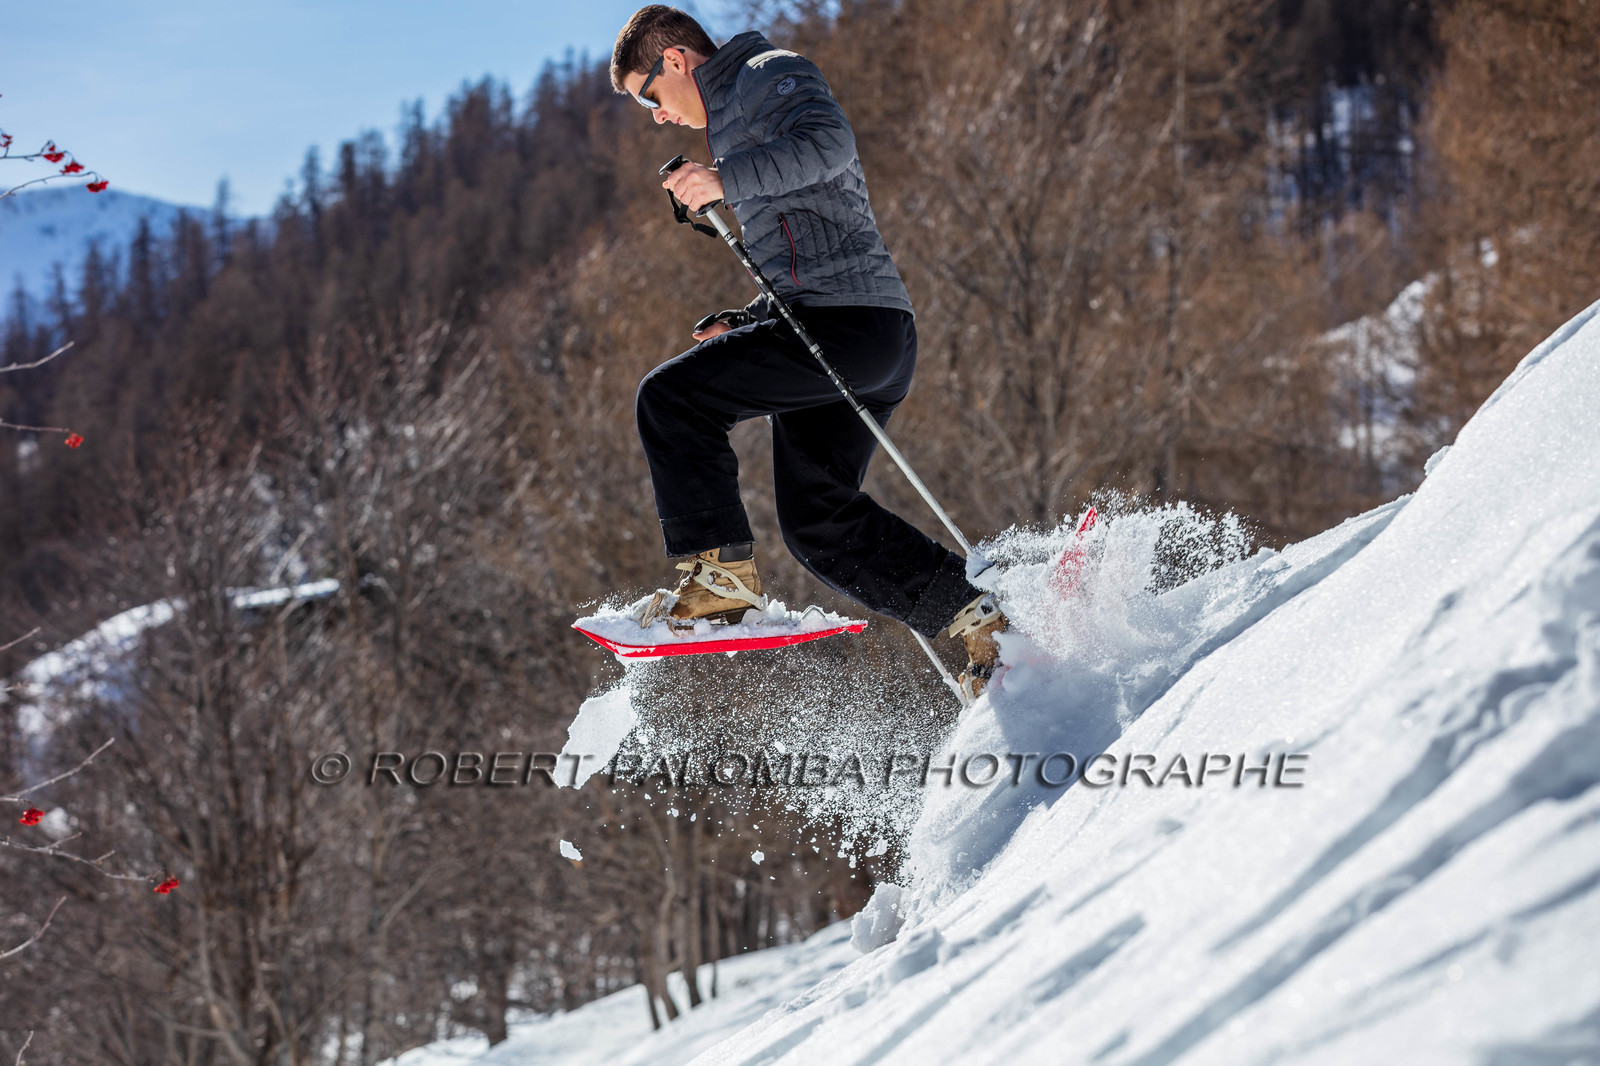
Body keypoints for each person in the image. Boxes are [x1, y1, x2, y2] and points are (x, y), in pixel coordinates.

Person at [611, 5, 1006, 698]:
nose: (658, 116)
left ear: (674, 60)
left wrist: (725, 180)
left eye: (650, 97)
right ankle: (987, 625)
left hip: (851, 326)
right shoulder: (733, 119)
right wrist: (748, 323)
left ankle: (718, 583)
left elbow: (829, 144)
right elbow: (810, 245)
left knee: (669, 398)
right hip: (846, 330)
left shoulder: (765, 74)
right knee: (817, 522)